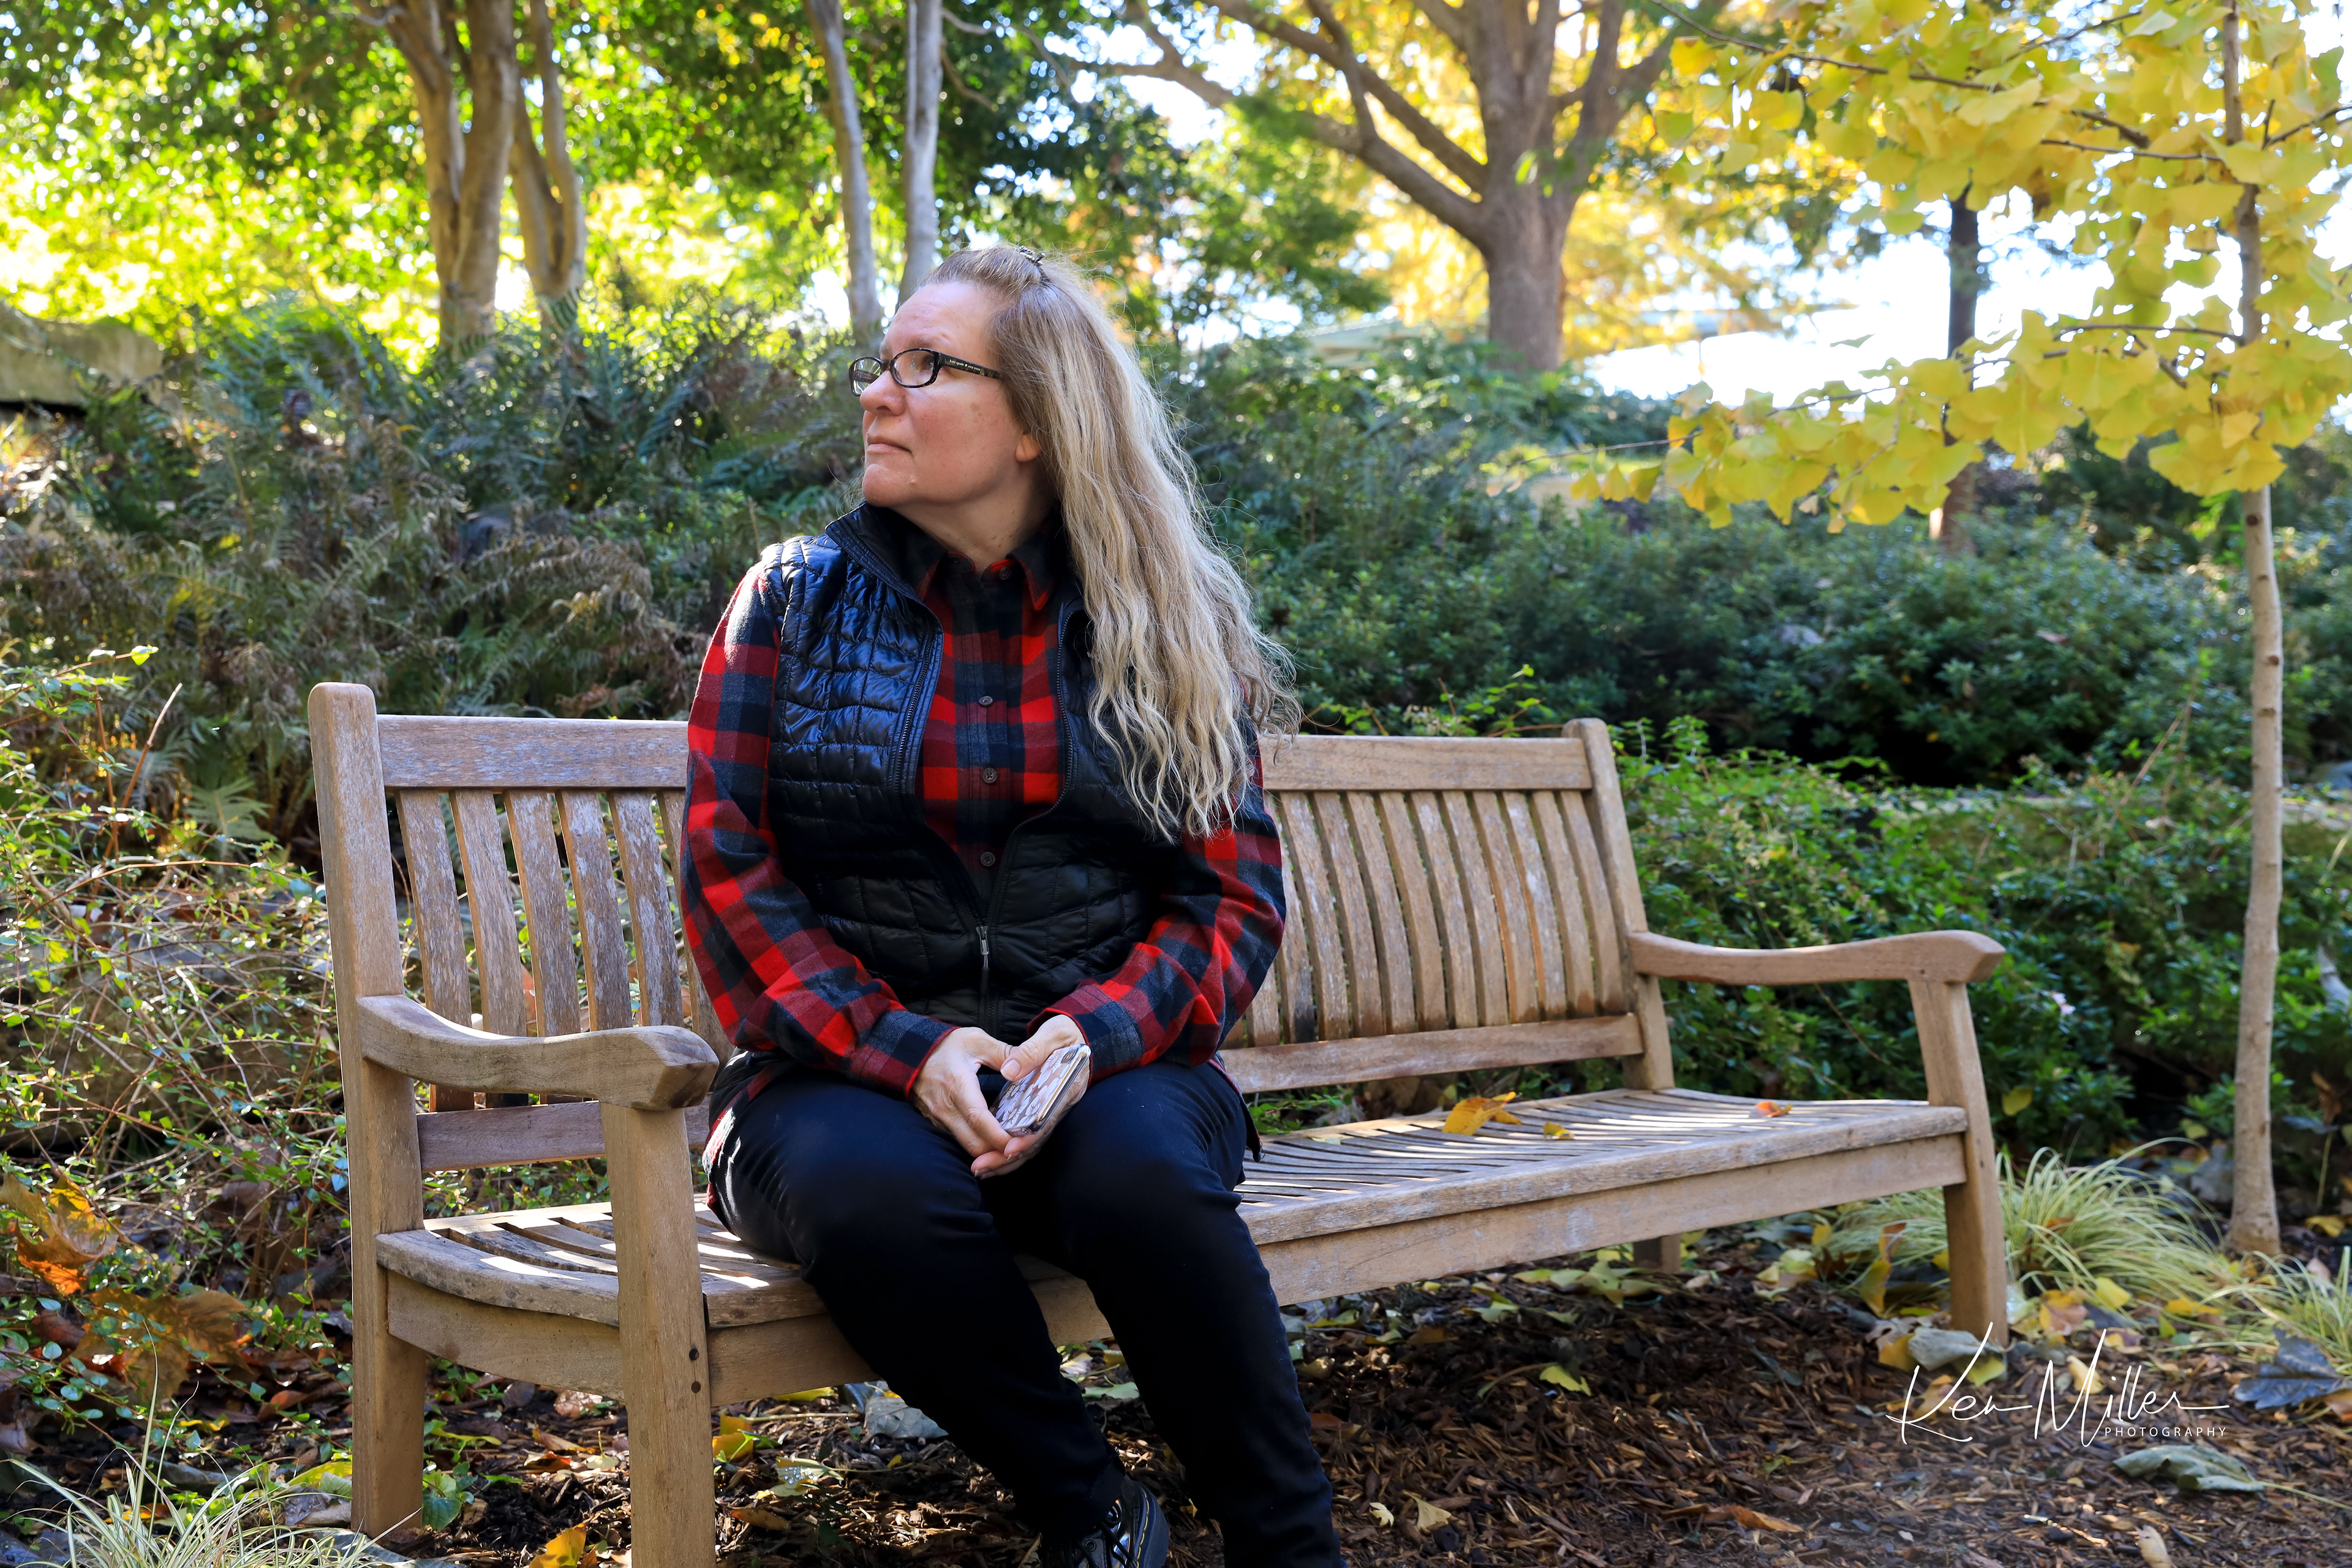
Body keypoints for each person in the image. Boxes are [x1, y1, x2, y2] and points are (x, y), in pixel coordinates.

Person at [680, 244, 1344, 1568]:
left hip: (1110, 1070)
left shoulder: (1156, 620)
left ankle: (1291, 1549)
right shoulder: (792, 601)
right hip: (835, 1079)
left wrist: (1089, 1034)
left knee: (1146, 1174)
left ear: (1036, 419)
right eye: (880, 363)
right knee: (869, 1194)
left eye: (927, 367)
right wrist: (910, 1048)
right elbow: (728, 868)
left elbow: (1228, 893)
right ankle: (1093, 1510)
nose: (877, 393)